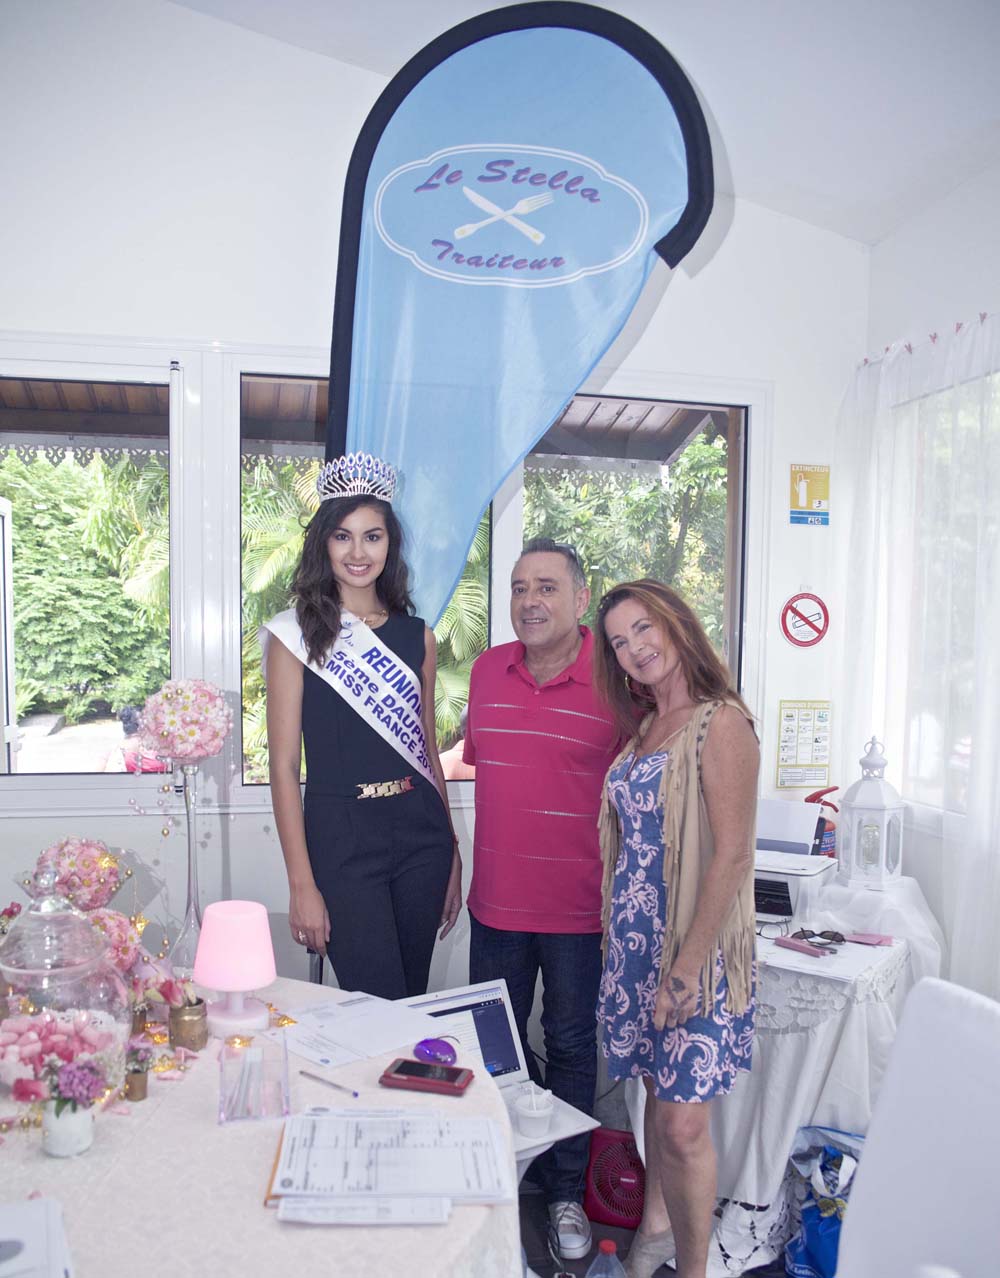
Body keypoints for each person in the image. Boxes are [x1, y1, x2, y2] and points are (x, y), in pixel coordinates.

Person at [592, 579, 759, 1278]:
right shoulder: (644, 730)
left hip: (696, 952)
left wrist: (686, 968)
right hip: (637, 945)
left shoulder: (721, 723)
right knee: (658, 1100)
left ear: (677, 624)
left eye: (643, 628)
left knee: (684, 1127)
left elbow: (733, 854)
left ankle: (695, 1270)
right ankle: (656, 1230)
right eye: (618, 642)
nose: (634, 648)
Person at [463, 537, 619, 1262]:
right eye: (520, 587)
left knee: (572, 1049)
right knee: (494, 1050)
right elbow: (483, 762)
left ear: (581, 599)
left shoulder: (617, 680)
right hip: (495, 903)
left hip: (580, 911)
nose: (530, 601)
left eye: (547, 587)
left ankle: (562, 1194)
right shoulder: (487, 670)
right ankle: (497, 1177)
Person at [263, 453, 462, 1000]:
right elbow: (283, 768)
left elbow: (427, 750)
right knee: (377, 1005)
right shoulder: (295, 637)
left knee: (411, 999)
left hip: (420, 835)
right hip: (342, 836)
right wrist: (301, 884)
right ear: (323, 544)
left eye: (372, 537)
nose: (358, 553)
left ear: (390, 545)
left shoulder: (418, 637)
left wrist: (451, 850)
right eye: (343, 537)